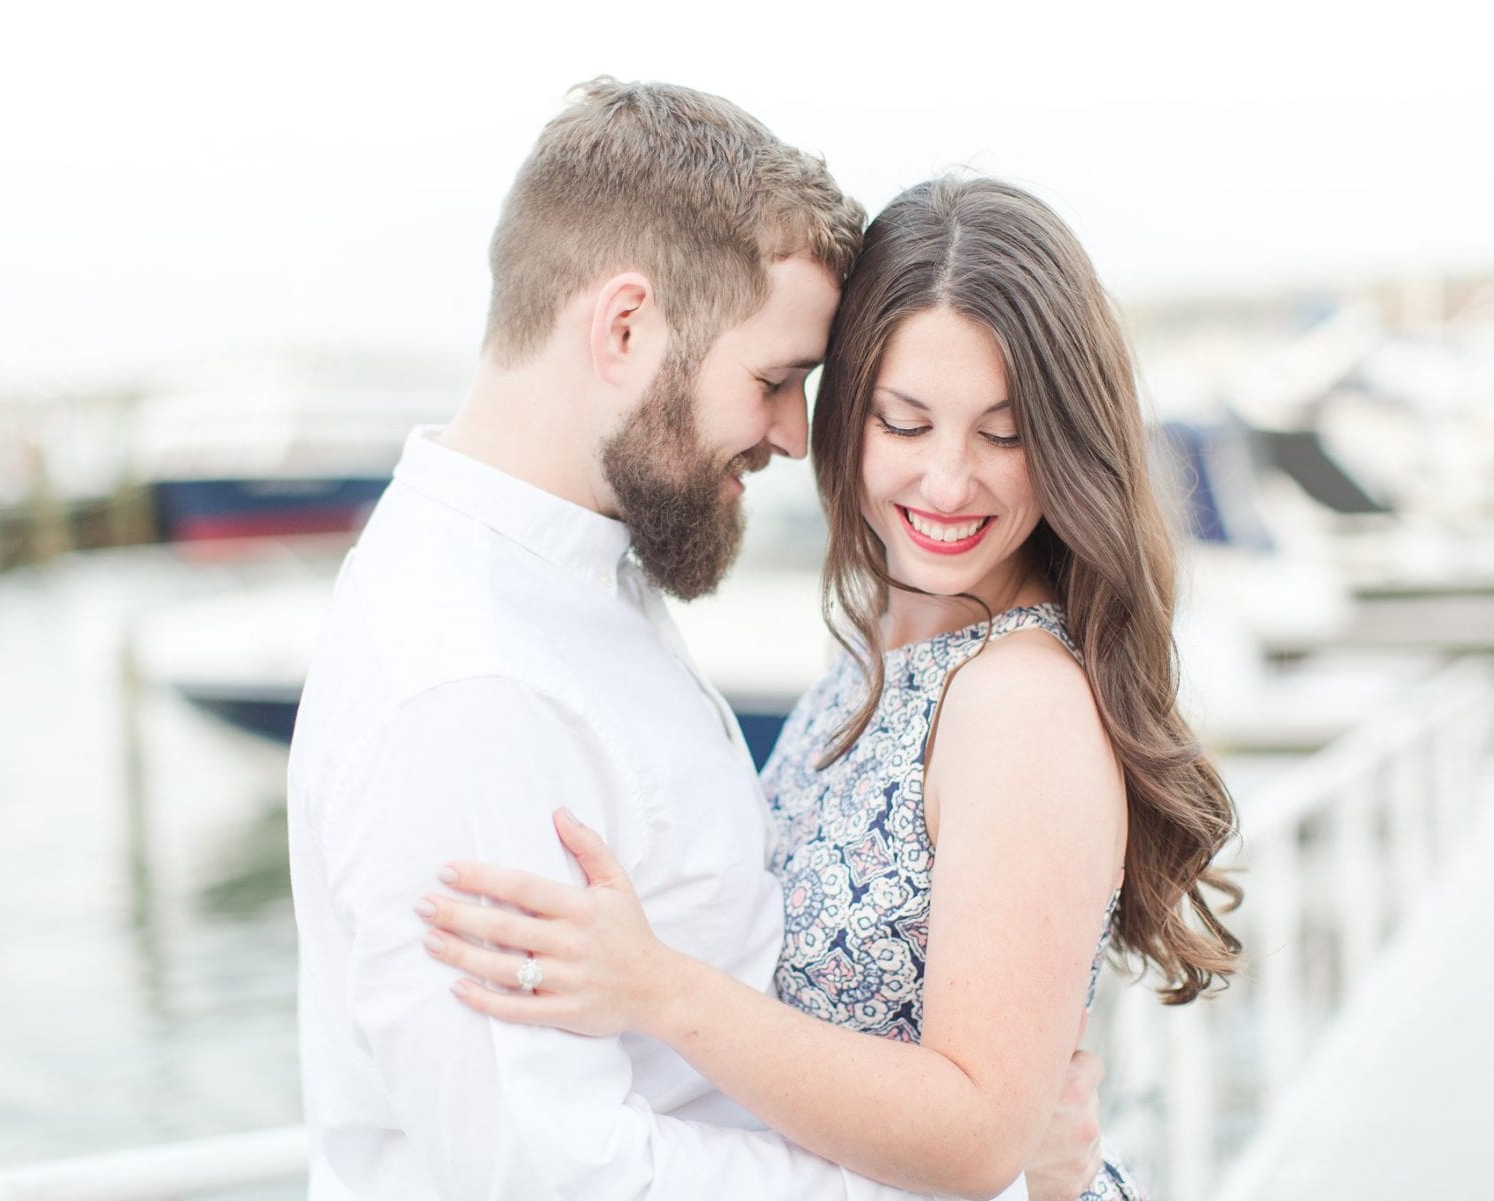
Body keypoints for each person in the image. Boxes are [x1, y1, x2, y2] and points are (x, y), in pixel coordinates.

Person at [286, 82, 1104, 1199]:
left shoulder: (578, 587)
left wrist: (978, 1137)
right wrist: (988, 1183)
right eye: (773, 380)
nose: (785, 433)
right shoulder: (474, 681)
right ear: (625, 328)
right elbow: (538, 1176)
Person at [415, 177, 1245, 1200]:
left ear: (1070, 443)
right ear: (845, 416)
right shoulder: (877, 643)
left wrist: (658, 989)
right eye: (906, 423)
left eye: (1004, 433)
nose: (947, 484)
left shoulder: (1018, 702)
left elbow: (978, 1134)